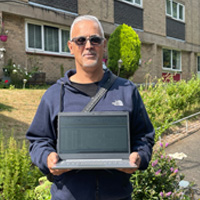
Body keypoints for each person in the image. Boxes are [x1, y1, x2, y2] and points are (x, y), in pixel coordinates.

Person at [26, 15, 155, 200]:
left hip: (117, 196)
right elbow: (38, 140)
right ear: (71, 47)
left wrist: (139, 156)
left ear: (103, 45)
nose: (88, 46)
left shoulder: (127, 90)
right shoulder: (54, 95)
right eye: (80, 40)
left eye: (95, 39)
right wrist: (47, 157)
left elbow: (144, 136)